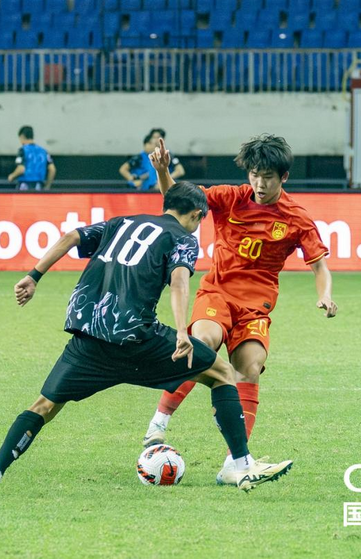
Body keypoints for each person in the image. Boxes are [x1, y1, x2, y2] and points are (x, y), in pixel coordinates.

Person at [0, 182, 293, 496]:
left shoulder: (121, 222)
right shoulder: (182, 237)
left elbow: (71, 236)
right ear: (196, 215)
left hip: (88, 340)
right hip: (138, 339)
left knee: (44, 406)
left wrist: (33, 275)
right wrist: (183, 331)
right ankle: (240, 463)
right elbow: (180, 282)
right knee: (222, 374)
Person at [141, 135, 338, 486]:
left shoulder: (296, 218)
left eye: (268, 177)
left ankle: (235, 462)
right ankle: (157, 427)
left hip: (255, 307)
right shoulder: (230, 197)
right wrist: (163, 172)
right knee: (201, 344)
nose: (259, 184)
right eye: (254, 175)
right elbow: (179, 200)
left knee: (250, 368)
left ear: (284, 177)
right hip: (217, 292)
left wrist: (324, 295)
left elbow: (319, 266)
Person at [120, 132, 185, 191]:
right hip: (140, 191)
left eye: (156, 144)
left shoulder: (162, 156)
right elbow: (123, 169)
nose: (155, 146)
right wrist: (132, 180)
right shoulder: (139, 157)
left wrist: (163, 181)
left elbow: (180, 171)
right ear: (146, 144)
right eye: (153, 144)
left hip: (156, 189)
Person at [7, 125, 56, 191]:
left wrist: (12, 176)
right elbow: (52, 169)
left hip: (24, 185)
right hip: (39, 186)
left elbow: (21, 169)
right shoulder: (43, 151)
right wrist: (47, 185)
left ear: (22, 136)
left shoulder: (23, 150)